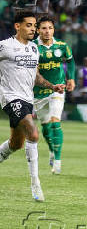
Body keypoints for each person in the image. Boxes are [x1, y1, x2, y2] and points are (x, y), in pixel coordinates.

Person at [0, 11, 65, 201]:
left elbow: (35, 77)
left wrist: (52, 86)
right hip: (10, 98)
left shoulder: (34, 49)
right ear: (17, 26)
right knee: (33, 134)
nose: (33, 29)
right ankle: (35, 183)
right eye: (29, 25)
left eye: (34, 25)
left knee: (16, 144)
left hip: (27, 99)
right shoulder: (5, 46)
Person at [33, 16, 76, 174]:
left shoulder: (62, 45)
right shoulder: (33, 47)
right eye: (44, 28)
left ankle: (57, 161)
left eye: (50, 28)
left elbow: (70, 61)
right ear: (38, 30)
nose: (47, 31)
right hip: (38, 93)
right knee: (45, 127)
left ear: (54, 30)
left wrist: (71, 78)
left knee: (55, 121)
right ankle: (52, 150)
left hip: (57, 89)